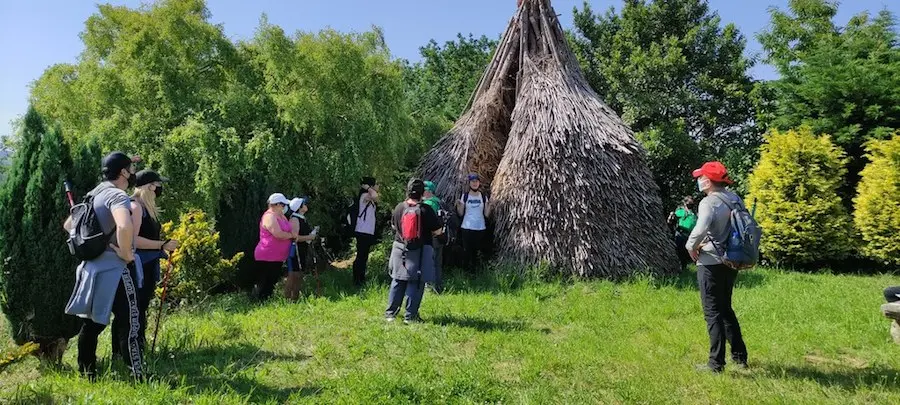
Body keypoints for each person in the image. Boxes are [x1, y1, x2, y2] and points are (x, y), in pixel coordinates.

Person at [64, 152, 145, 381]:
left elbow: (69, 224)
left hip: (92, 268)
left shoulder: (93, 194)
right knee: (129, 323)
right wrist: (127, 252)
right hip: (116, 269)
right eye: (130, 169)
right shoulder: (116, 195)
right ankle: (139, 375)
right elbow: (124, 224)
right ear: (122, 172)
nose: (132, 173)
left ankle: (87, 374)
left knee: (91, 324)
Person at [686, 161, 748, 373]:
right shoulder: (734, 198)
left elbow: (700, 228)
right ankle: (740, 356)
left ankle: (715, 364)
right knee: (725, 309)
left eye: (701, 177)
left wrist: (690, 247)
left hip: (711, 262)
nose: (698, 180)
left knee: (712, 312)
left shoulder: (709, 202)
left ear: (709, 181)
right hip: (732, 260)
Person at [111, 170, 179, 359]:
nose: (159, 188)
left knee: (140, 307)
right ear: (149, 186)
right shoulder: (136, 207)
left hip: (148, 264)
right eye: (157, 184)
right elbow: (133, 240)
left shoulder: (145, 207)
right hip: (138, 266)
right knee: (134, 309)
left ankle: (134, 349)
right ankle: (128, 352)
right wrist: (162, 245)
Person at [385, 178, 443, 323]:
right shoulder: (426, 210)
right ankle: (410, 316)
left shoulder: (399, 207)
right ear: (422, 193)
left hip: (400, 248)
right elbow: (437, 231)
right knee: (416, 282)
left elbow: (393, 226)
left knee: (398, 279)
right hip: (421, 250)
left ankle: (390, 314)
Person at [253, 193, 294, 301]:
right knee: (265, 282)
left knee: (272, 281)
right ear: (277, 204)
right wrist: (291, 236)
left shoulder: (281, 216)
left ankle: (266, 301)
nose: (285, 207)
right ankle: (260, 303)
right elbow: (278, 234)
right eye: (283, 205)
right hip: (267, 255)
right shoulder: (269, 216)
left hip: (277, 257)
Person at [456, 173, 491, 275]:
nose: (474, 183)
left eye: (476, 181)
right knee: (467, 250)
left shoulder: (483, 197)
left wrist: (490, 206)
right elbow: (460, 213)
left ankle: (475, 274)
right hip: (467, 227)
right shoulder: (465, 196)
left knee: (476, 251)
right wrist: (458, 205)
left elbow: (486, 214)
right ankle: (466, 273)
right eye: (472, 182)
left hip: (480, 227)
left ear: (479, 183)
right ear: (469, 183)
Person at [285, 197, 318, 301]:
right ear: (300, 207)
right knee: (293, 275)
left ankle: (295, 299)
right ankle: (287, 300)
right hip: (295, 251)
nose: (306, 205)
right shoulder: (295, 219)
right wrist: (310, 237)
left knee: (299, 275)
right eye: (304, 204)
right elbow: (294, 237)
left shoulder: (301, 218)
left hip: (302, 249)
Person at [352, 177, 379, 287]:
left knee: (364, 256)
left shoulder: (369, 197)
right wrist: (368, 188)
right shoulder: (364, 196)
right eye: (376, 184)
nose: (378, 187)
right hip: (362, 230)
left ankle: (361, 278)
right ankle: (357, 280)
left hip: (367, 231)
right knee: (361, 256)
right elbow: (375, 196)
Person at [422, 181, 446, 293]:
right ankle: (438, 286)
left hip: (431, 237)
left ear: (428, 191)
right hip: (440, 236)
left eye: (424, 190)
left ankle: (430, 287)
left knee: (429, 262)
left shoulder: (428, 204)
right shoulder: (439, 202)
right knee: (437, 263)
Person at [668, 196, 698, 271]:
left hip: (691, 235)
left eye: (692, 203)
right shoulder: (681, 211)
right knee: (681, 252)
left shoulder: (694, 213)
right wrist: (671, 217)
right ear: (685, 203)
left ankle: (687, 267)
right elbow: (671, 219)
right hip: (681, 234)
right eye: (689, 203)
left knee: (689, 251)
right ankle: (681, 268)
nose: (690, 205)